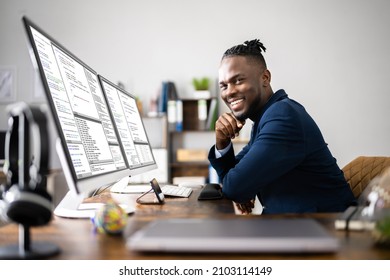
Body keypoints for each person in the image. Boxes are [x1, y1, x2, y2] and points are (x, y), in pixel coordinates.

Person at [208, 39, 356, 214]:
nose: (230, 91)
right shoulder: (265, 119)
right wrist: (222, 141)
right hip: (293, 227)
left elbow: (234, 187)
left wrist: (243, 188)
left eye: (238, 80)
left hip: (324, 231)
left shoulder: (283, 118)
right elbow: (234, 179)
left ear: (265, 78)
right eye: (224, 86)